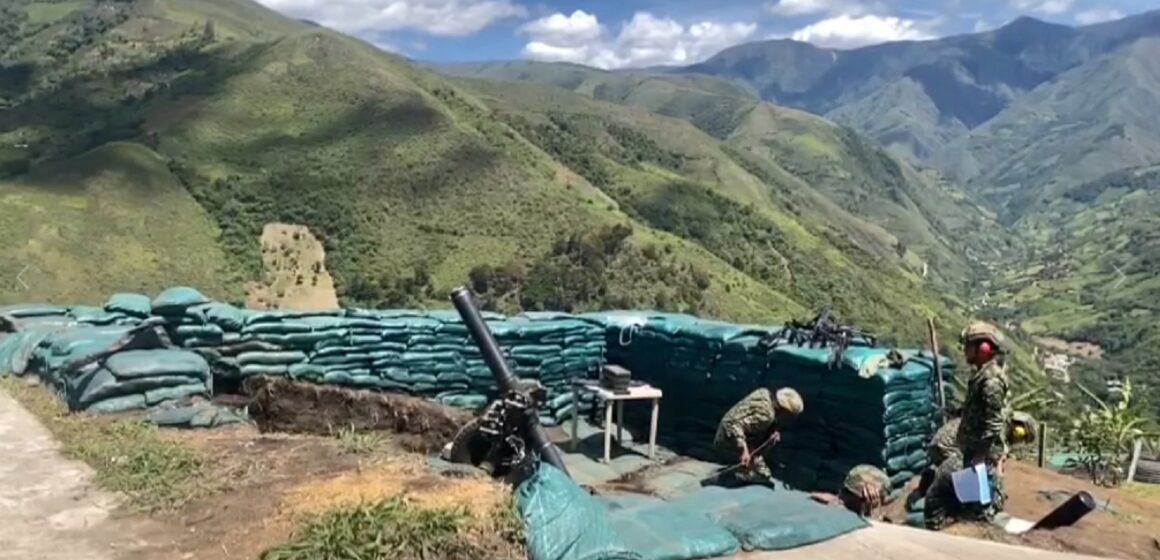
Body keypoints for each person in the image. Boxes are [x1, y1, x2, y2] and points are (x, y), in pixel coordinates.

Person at [924, 321, 1011, 530]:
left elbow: (993, 421)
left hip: (979, 454)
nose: (964, 351)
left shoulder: (991, 381)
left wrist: (980, 456)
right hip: (972, 452)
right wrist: (956, 412)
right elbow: (978, 411)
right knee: (969, 502)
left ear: (983, 348)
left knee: (942, 497)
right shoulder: (982, 375)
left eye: (968, 346)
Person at [713, 387, 804, 484]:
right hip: (727, 439)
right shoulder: (766, 417)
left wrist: (773, 430)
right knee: (763, 474)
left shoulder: (763, 393)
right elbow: (734, 425)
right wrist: (744, 450)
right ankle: (732, 477)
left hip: (725, 431)